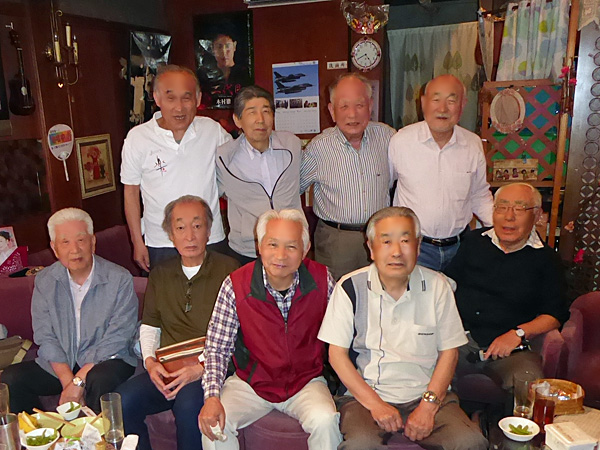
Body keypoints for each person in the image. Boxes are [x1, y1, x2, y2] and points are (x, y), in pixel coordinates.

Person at [319, 207, 488, 450]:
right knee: (361, 444)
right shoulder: (349, 287)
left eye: (405, 241)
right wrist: (376, 405)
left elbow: (449, 352)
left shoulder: (437, 286)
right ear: (371, 247)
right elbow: (336, 355)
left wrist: (428, 406)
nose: (397, 251)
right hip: (365, 397)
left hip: (427, 394)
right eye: (386, 241)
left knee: (470, 442)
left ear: (418, 246)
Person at [198, 209, 342, 450]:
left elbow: (343, 334)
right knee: (214, 425)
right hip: (251, 383)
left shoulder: (321, 279)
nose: (281, 255)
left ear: (305, 249)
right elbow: (217, 349)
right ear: (259, 246)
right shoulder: (235, 285)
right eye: (272, 244)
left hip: (306, 381)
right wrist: (212, 396)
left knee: (326, 421)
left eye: (291, 246)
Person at [117, 195, 239, 450]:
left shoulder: (230, 270)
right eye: (180, 227)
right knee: (123, 400)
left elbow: (241, 333)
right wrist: (150, 362)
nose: (190, 236)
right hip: (170, 367)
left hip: (211, 369)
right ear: (171, 235)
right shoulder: (160, 274)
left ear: (209, 231)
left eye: (197, 226)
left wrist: (201, 368)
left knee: (187, 404)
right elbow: (150, 325)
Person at [2, 208, 138, 413]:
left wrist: (79, 381)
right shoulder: (45, 281)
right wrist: (68, 381)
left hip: (108, 360)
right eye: (65, 242)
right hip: (63, 363)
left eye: (81, 240)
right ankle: (43, 430)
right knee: (11, 379)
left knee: (99, 379)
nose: (75, 249)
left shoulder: (119, 279)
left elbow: (118, 337)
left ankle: (94, 433)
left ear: (93, 242)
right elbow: (45, 336)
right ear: (54, 248)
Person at [444, 183, 569, 405]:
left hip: (512, 350)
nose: (509, 217)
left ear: (536, 215)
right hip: (461, 340)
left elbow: (554, 314)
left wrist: (518, 333)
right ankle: (453, 422)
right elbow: (448, 283)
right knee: (428, 369)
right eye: (502, 207)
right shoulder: (474, 242)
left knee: (529, 384)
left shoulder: (546, 259)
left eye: (519, 208)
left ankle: (512, 428)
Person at [121, 64, 232, 272]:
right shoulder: (137, 138)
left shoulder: (212, 131)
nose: (179, 107)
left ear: (198, 99)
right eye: (170, 98)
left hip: (210, 238)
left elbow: (238, 168)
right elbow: (131, 192)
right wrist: (137, 241)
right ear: (157, 98)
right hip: (160, 243)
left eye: (186, 98)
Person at [388, 74, 493, 271]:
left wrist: (501, 229)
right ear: (423, 103)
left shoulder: (472, 144)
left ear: (462, 105)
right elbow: (384, 188)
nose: (443, 109)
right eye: (436, 100)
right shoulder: (401, 141)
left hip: (461, 248)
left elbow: (479, 194)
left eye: (451, 101)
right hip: (414, 248)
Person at [301, 73, 395, 279]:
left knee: (380, 292)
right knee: (337, 294)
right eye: (344, 106)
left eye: (359, 105)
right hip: (336, 241)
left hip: (381, 236)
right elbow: (292, 189)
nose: (352, 114)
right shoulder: (318, 148)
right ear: (332, 111)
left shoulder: (388, 137)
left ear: (370, 106)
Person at [217, 85, 303, 265]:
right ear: (237, 120)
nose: (260, 119)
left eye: (266, 111)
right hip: (247, 248)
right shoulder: (224, 157)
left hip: (290, 244)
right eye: (252, 112)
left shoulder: (292, 145)